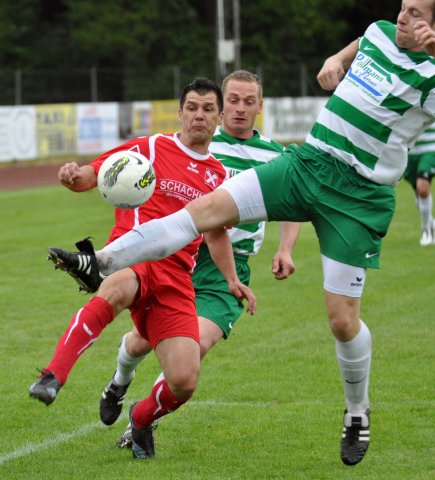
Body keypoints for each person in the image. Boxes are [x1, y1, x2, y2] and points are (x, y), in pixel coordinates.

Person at [46, 1, 435, 466]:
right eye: (404, 7)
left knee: (341, 321)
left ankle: (356, 411)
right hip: (309, 163)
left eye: (417, 14)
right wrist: (336, 59)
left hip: (358, 197)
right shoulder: (380, 32)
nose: (404, 17)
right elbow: (358, 44)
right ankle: (99, 263)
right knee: (200, 213)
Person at [29, 77, 257, 460]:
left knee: (184, 380)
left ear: (218, 118)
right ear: (180, 113)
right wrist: (73, 177)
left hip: (176, 278)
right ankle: (53, 375)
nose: (199, 116)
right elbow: (95, 173)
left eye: (207, 109)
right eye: (192, 108)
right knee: (114, 290)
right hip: (132, 257)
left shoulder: (220, 176)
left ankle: (140, 417)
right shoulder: (149, 148)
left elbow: (216, 233)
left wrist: (232, 280)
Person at [95, 70, 300, 446]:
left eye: (248, 101)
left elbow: (292, 202)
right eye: (232, 100)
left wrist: (285, 248)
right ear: (221, 107)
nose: (239, 108)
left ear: (260, 106)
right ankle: (119, 381)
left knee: (197, 345)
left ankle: (143, 419)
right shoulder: (200, 141)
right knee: (140, 342)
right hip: (181, 258)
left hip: (229, 266)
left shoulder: (276, 155)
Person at [403, 122, 435, 245]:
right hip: (409, 152)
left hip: (431, 147)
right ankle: (431, 223)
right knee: (418, 192)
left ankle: (425, 228)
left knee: (422, 189)